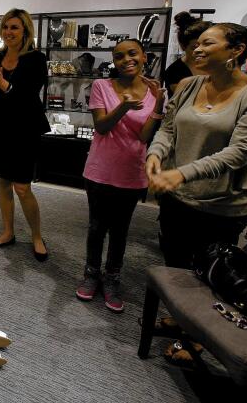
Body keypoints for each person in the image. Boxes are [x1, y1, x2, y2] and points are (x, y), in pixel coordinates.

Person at [145, 23, 247, 366]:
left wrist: (180, 172)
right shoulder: (189, 85)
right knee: (176, 266)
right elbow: (169, 129)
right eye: (196, 45)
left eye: (208, 43)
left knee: (211, 275)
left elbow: (240, 152)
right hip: (178, 198)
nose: (197, 50)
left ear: (236, 50)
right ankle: (182, 318)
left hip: (221, 204)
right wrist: (155, 154)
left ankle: (198, 339)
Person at [75, 39, 165, 313]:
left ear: (144, 57)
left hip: (132, 172)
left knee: (120, 231)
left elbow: (144, 136)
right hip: (100, 170)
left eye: (132, 53)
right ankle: (91, 274)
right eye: (119, 55)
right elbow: (101, 126)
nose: (126, 59)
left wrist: (159, 103)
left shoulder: (154, 92)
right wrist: (124, 106)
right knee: (96, 227)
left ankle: (112, 278)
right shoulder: (102, 86)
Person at [0, 8, 50, 261]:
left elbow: (28, 96)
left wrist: (5, 85)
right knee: (3, 181)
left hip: (24, 129)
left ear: (25, 31)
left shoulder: (36, 59)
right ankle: (8, 232)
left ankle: (36, 236)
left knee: (22, 187)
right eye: (6, 27)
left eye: (15, 28)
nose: (9, 32)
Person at [163, 12, 210, 94]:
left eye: (207, 45)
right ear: (183, 46)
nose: (202, 51)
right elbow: (186, 101)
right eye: (195, 47)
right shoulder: (175, 72)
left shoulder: (215, 65)